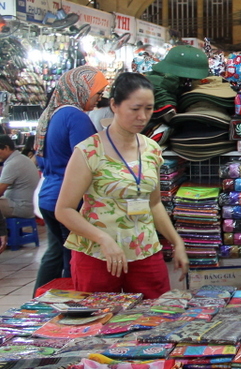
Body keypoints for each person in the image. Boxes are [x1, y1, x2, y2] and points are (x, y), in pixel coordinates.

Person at [55, 73, 188, 298]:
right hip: (98, 255)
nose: (143, 117)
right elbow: (64, 210)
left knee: (153, 318)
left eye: (148, 109)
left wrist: (177, 242)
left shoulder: (151, 149)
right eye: (135, 109)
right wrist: (102, 238)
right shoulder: (88, 151)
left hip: (144, 249)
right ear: (114, 105)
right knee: (99, 320)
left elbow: (154, 203)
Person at [34, 66, 107, 291]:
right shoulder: (75, 117)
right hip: (69, 199)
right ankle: (69, 307)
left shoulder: (53, 114)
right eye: (98, 93)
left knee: (55, 253)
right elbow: (89, 159)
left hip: (49, 196)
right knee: (73, 259)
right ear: (81, 90)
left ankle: (37, 304)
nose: (99, 99)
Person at [0, 135, 40, 254]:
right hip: (26, 205)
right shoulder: (20, 159)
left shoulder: (13, 163)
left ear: (6, 148)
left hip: (21, 207)